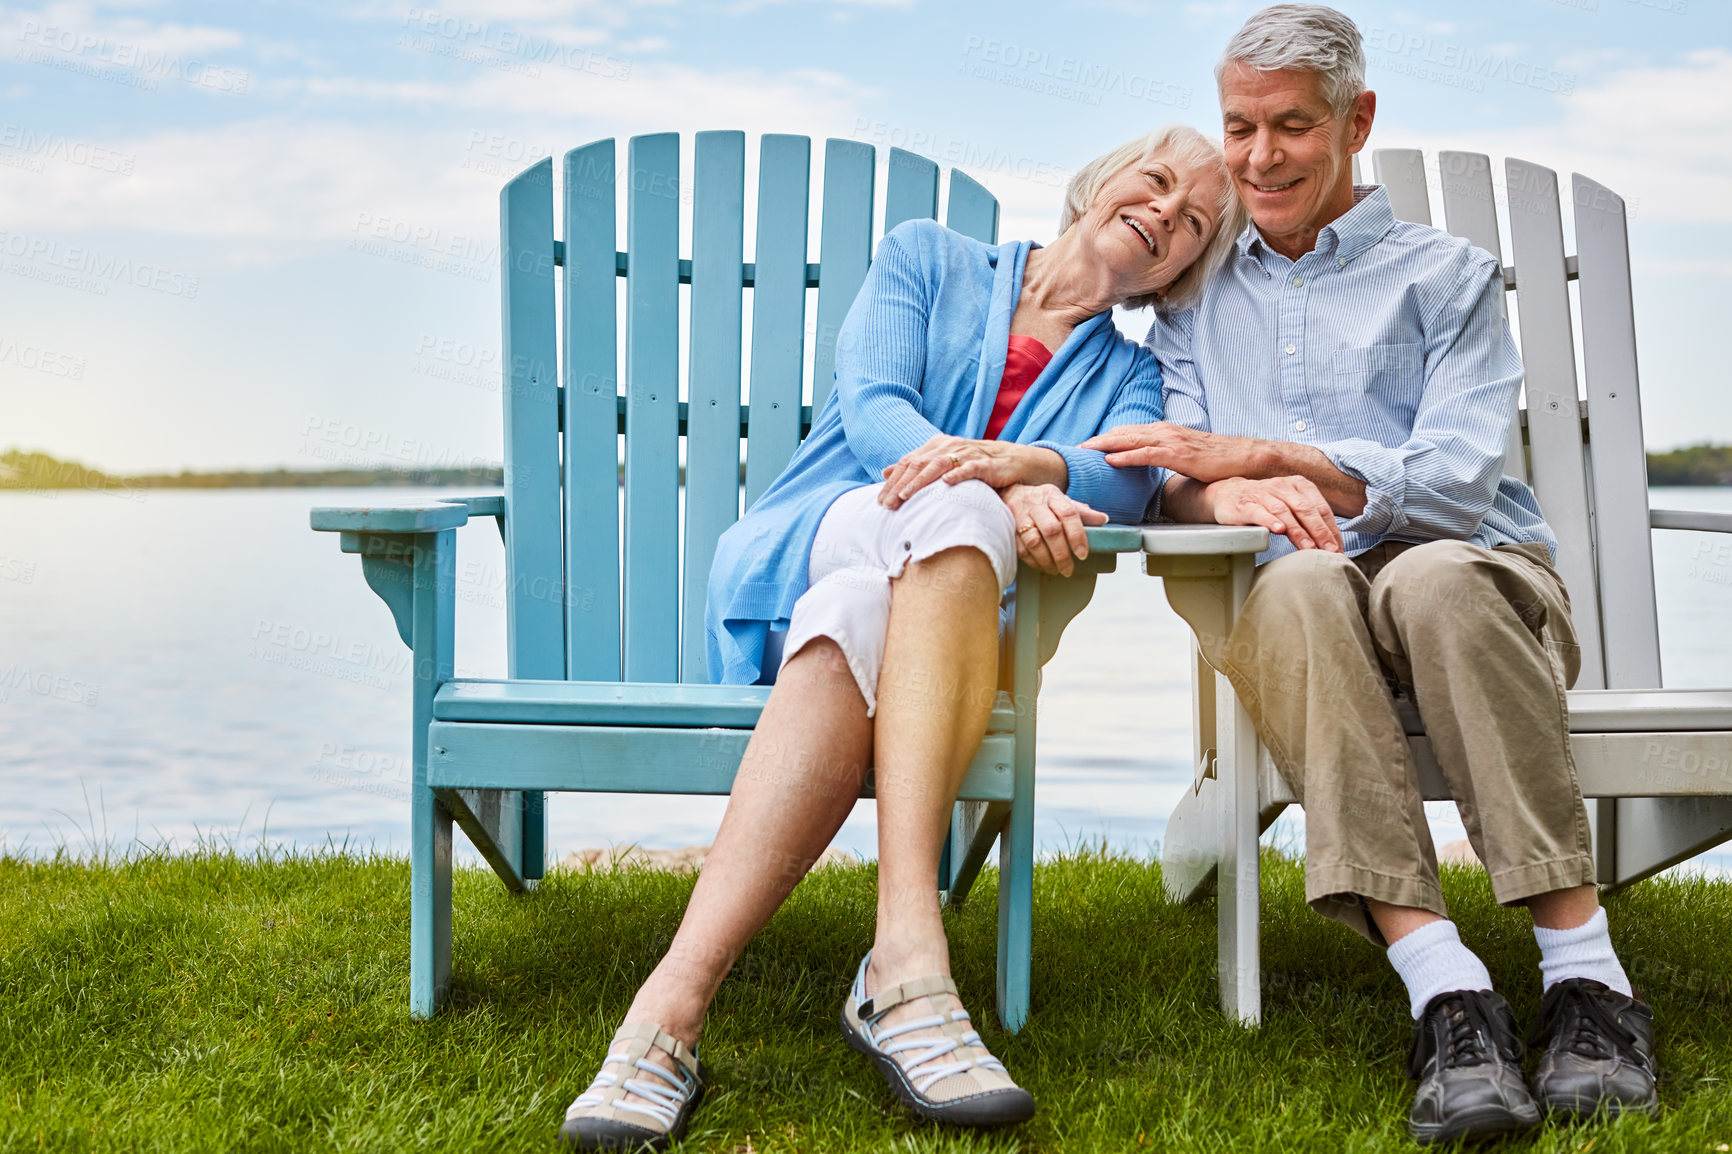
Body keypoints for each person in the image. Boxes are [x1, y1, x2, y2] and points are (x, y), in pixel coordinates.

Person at [556, 125, 1243, 1150]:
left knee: (872, 603)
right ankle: (907, 963)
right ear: (1099, 181)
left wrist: (1029, 473)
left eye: (1192, 223)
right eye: (1155, 181)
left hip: (927, 625)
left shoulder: (1132, 378)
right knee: (949, 523)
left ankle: (667, 1011)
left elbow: (1125, 476)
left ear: (1185, 266)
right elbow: (874, 405)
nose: (1164, 213)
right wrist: (1004, 481)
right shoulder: (929, 256)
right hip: (814, 541)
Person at [1084, 5, 1657, 1145]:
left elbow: (1448, 485)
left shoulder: (1448, 278)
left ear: (1357, 119)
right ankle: (1448, 994)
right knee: (1293, 587)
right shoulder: (1194, 301)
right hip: (1303, 596)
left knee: (1431, 575)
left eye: (1290, 126)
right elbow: (1177, 464)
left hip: (1479, 581)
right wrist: (1216, 492)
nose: (1259, 157)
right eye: (1239, 127)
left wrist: (1277, 456)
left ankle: (1588, 982)